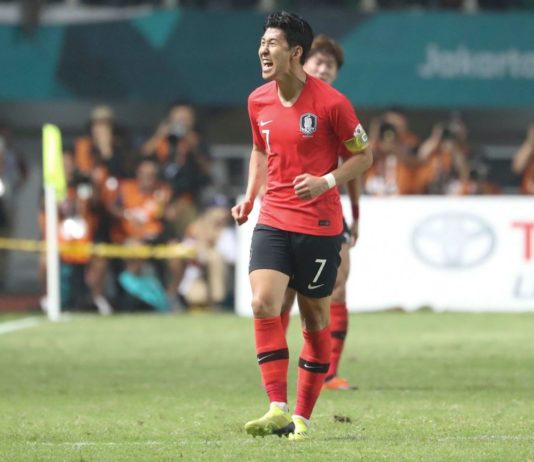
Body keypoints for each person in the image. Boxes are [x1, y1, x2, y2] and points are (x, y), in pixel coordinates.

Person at [231, 12, 372, 441]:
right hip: (274, 216)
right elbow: (259, 150)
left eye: (271, 43)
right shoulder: (257, 100)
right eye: (262, 43)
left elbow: (363, 157)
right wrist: (250, 196)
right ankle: (276, 406)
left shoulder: (332, 103)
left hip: (320, 223)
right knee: (263, 302)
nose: (262, 50)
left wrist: (325, 181)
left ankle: (302, 418)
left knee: (314, 318)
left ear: (295, 53)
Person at [278, 34, 361, 391]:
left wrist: (355, 214)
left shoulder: (338, 108)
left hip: (328, 214)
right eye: (318, 61)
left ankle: (329, 373)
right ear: (302, 62)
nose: (324, 68)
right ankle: (277, 368)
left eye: (331, 64)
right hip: (285, 213)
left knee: (336, 288)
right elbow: (262, 154)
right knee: (281, 295)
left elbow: (356, 162)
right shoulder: (277, 101)